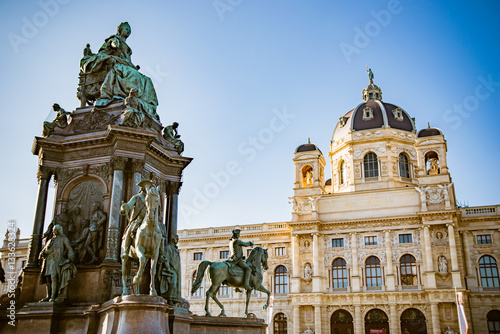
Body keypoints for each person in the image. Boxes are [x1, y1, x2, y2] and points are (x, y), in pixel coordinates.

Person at [80, 22, 159, 119]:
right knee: (133, 75)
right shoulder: (115, 39)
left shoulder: (126, 45)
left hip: (126, 65)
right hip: (117, 64)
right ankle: (130, 95)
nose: (128, 31)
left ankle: (141, 102)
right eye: (126, 29)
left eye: (129, 30)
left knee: (147, 80)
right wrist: (113, 45)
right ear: (120, 30)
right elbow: (108, 48)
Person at [39, 225, 77, 302]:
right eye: (53, 230)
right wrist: (43, 253)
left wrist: (70, 259)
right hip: (48, 261)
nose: (54, 231)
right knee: (48, 279)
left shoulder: (63, 239)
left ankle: (53, 296)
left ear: (59, 230)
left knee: (53, 277)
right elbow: (43, 250)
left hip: (56, 261)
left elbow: (69, 249)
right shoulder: (50, 240)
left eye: (55, 230)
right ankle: (48, 295)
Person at [120, 180, 153, 259]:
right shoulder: (137, 197)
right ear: (143, 188)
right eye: (147, 186)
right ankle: (126, 250)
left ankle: (161, 254)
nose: (149, 188)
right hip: (139, 219)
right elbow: (128, 205)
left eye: (149, 187)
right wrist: (124, 207)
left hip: (150, 220)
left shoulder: (152, 199)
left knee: (161, 232)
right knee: (130, 230)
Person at [160, 235, 181, 305]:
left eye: (178, 238)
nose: (177, 240)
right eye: (176, 238)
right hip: (170, 269)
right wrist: (168, 268)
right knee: (173, 283)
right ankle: (169, 299)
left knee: (175, 284)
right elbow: (166, 258)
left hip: (175, 269)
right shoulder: (168, 247)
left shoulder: (175, 249)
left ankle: (174, 299)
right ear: (172, 239)